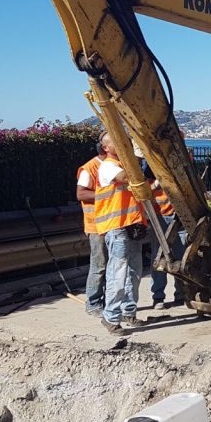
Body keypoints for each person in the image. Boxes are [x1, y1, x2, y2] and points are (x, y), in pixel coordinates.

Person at [94, 131, 148, 334]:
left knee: (134, 272)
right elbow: (126, 177)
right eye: (118, 142)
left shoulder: (125, 165)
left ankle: (129, 311)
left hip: (132, 226)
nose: (122, 144)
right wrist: (138, 156)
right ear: (106, 148)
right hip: (117, 227)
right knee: (118, 273)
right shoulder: (108, 166)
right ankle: (111, 317)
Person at [146, 162, 186, 309]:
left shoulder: (178, 176)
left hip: (179, 217)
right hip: (160, 219)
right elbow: (146, 195)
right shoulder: (150, 181)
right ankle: (158, 296)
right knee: (159, 257)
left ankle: (181, 294)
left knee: (181, 258)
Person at [75, 140, 108, 317]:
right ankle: (94, 302)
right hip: (96, 225)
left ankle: (106, 302)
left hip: (110, 222)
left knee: (110, 264)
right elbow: (81, 193)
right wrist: (106, 196)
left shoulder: (113, 166)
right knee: (99, 264)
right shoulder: (90, 168)